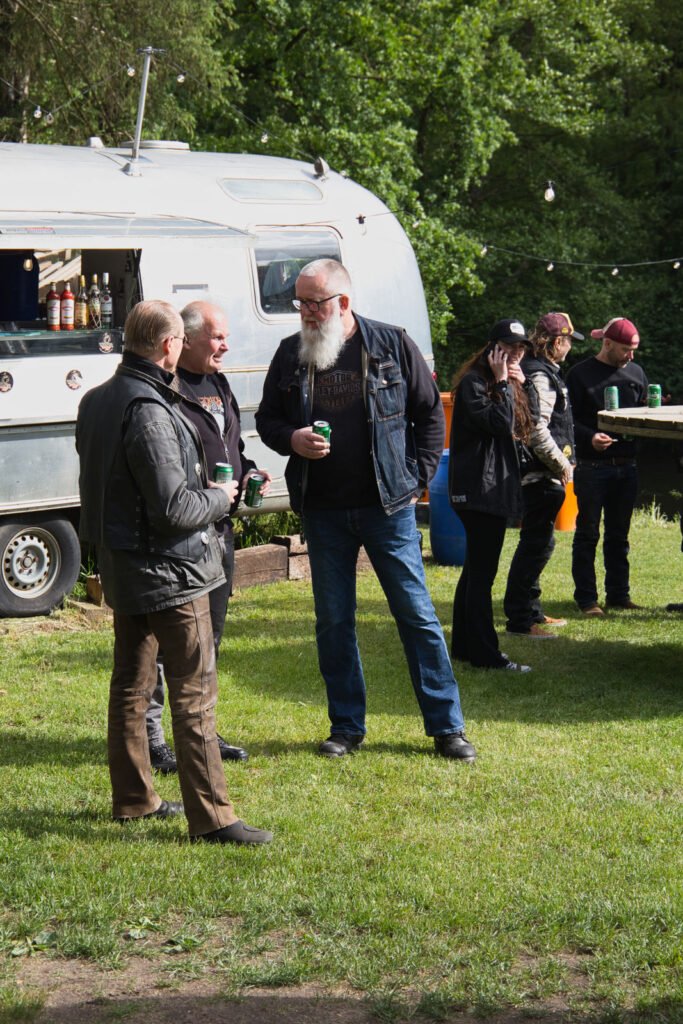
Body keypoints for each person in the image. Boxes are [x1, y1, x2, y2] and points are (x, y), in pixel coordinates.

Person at [255, 258, 475, 762]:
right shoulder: (291, 354)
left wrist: (418, 478)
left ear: (343, 303)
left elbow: (429, 416)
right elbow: (268, 419)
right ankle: (346, 727)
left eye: (316, 303)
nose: (307, 313)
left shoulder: (391, 344)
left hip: (387, 507)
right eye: (301, 304)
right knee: (334, 621)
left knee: (416, 616)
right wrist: (292, 438)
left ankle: (447, 728)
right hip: (324, 510)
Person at [76, 300, 272, 845]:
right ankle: (212, 818)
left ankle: (135, 800)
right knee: (193, 694)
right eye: (181, 343)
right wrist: (219, 495)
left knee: (131, 689)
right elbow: (173, 509)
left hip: (123, 566)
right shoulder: (150, 409)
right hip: (171, 573)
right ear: (168, 346)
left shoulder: (96, 401)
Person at [146, 301, 272, 775]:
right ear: (188, 339)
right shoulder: (168, 390)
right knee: (165, 647)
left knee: (209, 639)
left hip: (220, 532)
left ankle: (202, 731)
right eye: (217, 337)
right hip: (182, 536)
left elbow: (231, 446)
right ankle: (154, 738)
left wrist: (248, 471)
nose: (226, 344)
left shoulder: (219, 384)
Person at [449, 318, 537, 671]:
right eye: (509, 347)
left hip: (490, 487)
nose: (516, 354)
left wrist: (522, 385)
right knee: (482, 576)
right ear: (492, 348)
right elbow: (499, 425)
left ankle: (464, 647)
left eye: (520, 349)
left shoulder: (503, 382)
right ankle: (486, 655)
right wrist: (502, 383)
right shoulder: (474, 383)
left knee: (474, 571)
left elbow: (525, 426)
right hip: (478, 490)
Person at [503, 312, 580, 638]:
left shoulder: (539, 371)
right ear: (557, 341)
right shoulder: (541, 376)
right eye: (568, 342)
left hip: (538, 474)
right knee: (537, 545)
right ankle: (522, 620)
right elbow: (536, 430)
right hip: (539, 476)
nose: (570, 349)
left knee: (537, 542)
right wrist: (561, 465)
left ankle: (532, 612)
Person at [566, 317, 648, 615]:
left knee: (619, 535)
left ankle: (618, 595)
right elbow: (564, 421)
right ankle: (587, 600)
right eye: (626, 349)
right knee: (587, 534)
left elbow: (642, 413)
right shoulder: (579, 374)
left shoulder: (637, 373)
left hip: (628, 466)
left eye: (634, 350)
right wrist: (590, 438)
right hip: (592, 467)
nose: (631, 356)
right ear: (608, 343)